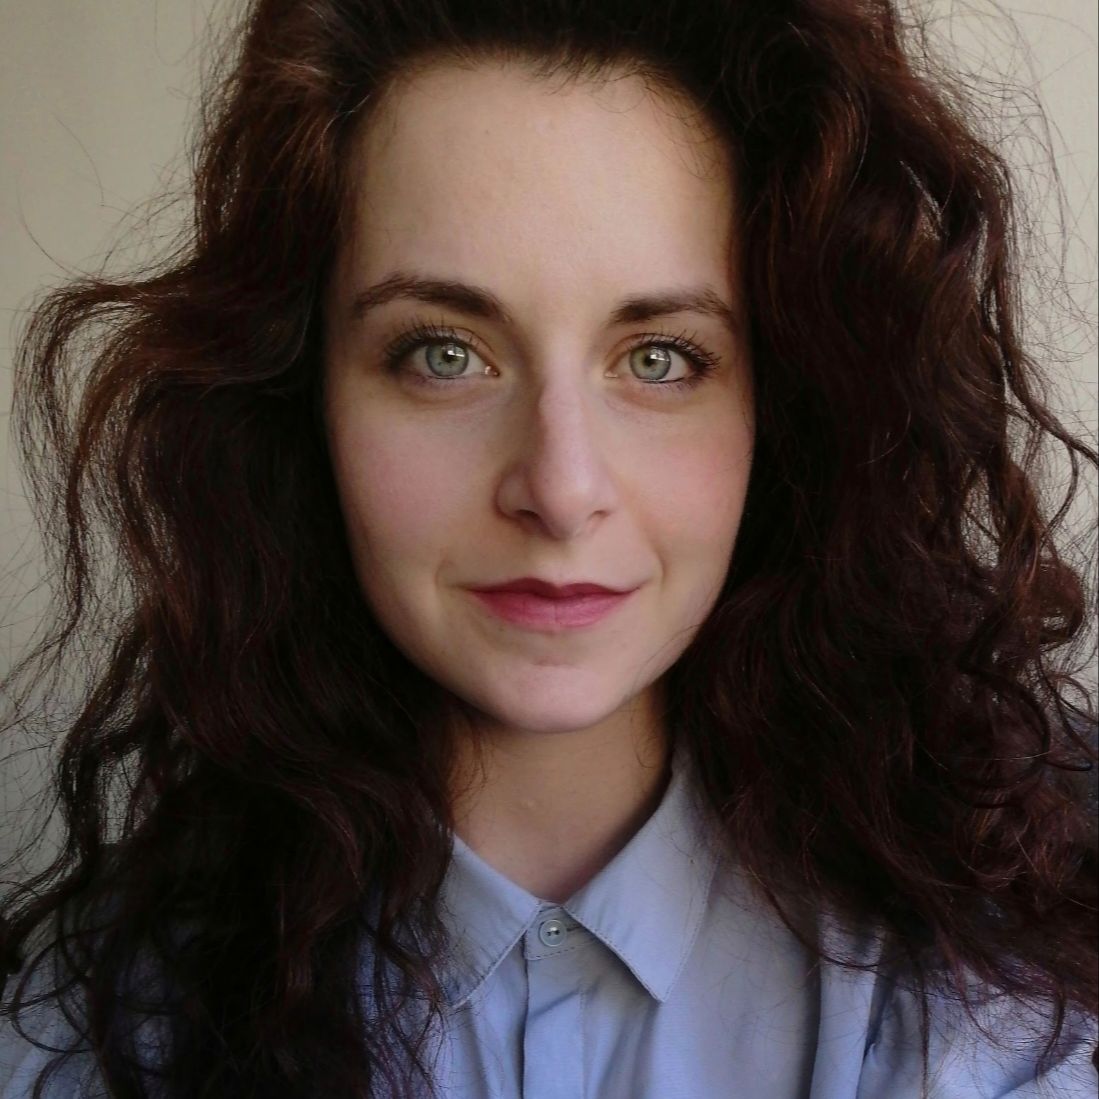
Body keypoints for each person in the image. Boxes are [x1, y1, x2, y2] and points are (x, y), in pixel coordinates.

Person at [1, 0, 1096, 1096]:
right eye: (443, 353)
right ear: (301, 396)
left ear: (783, 406)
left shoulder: (1015, 1003)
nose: (561, 491)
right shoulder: (85, 1038)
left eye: (660, 358)